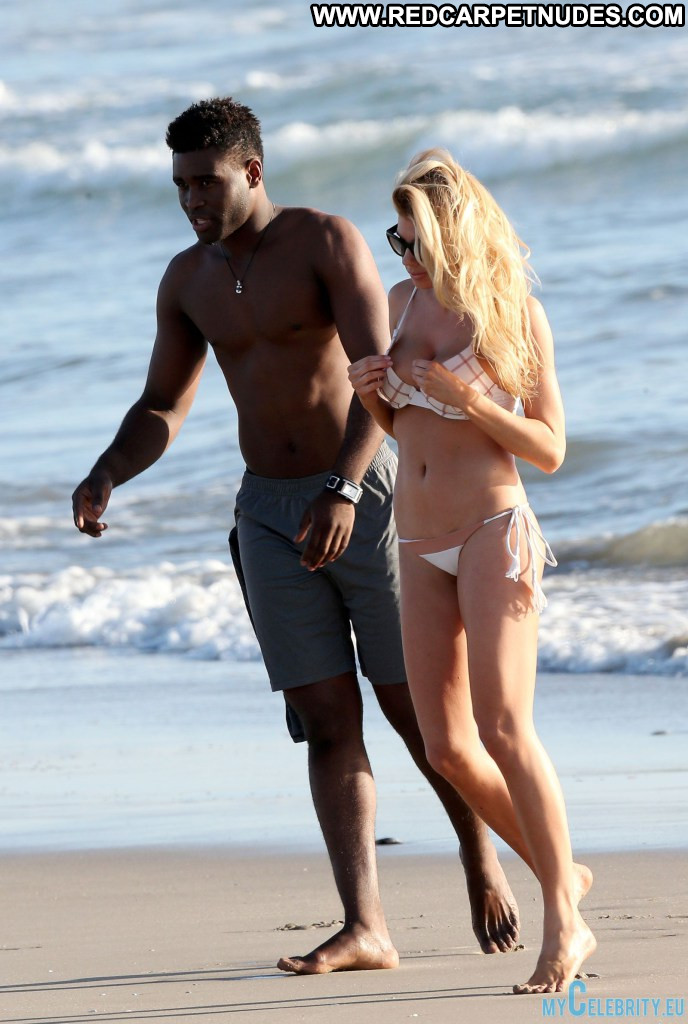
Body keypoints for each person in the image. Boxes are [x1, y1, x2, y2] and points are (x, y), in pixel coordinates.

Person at [72, 100, 520, 976]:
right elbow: (162, 404)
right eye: (180, 186)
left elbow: (377, 380)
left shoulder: (324, 241)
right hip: (269, 515)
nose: (192, 200)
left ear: (251, 171)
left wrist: (343, 485)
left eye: (206, 182)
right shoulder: (186, 281)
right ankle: (366, 926)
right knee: (325, 719)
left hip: (367, 495)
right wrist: (106, 471)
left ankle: (481, 855)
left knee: (417, 711)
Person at [348, 149, 596, 993]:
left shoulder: (514, 314)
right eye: (396, 239)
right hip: (417, 540)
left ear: (453, 235)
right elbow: (400, 430)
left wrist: (474, 402)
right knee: (448, 748)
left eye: (415, 240)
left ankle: (563, 925)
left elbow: (550, 449)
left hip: (494, 529)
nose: (404, 256)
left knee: (504, 728)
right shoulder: (400, 303)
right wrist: (372, 392)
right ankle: (563, 873)